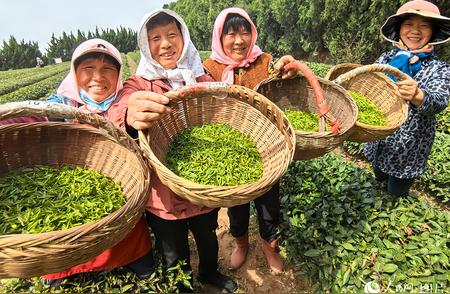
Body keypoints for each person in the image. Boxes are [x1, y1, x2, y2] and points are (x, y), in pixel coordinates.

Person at [114, 9, 237, 293]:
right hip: (163, 195)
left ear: (183, 37)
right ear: (146, 46)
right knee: (173, 251)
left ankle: (209, 273)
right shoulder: (140, 83)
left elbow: (222, 112)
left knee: (207, 237)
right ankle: (183, 287)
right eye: (155, 38)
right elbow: (120, 111)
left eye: (172, 35)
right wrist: (129, 117)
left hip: (201, 186)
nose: (165, 44)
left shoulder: (201, 78)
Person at [43, 38, 155, 283]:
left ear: (118, 75)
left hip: (122, 198)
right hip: (71, 200)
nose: (98, 77)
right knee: (64, 260)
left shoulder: (121, 101)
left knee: (143, 262)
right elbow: (28, 121)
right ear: (75, 72)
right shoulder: (61, 105)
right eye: (88, 69)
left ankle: (136, 261)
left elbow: (128, 113)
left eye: (107, 70)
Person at [202, 7, 297, 275]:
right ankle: (241, 244)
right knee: (237, 206)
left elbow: (285, 71)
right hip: (230, 150)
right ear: (219, 38)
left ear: (252, 34)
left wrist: (290, 67)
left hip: (269, 150)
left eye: (245, 32)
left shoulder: (264, 61)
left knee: (269, 207)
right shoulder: (209, 69)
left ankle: (270, 248)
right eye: (230, 34)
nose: (239, 40)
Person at [364, 0, 450, 197]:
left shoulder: (439, 68)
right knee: (378, 176)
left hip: (408, 147)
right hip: (380, 137)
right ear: (400, 28)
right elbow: (369, 87)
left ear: (433, 32)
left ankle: (397, 196)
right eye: (409, 24)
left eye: (424, 25)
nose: (415, 31)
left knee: (396, 191)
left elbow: (439, 101)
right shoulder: (387, 58)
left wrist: (417, 95)